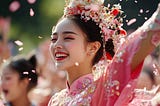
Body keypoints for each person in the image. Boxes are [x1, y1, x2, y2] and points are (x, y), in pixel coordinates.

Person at [48, 0, 160, 105]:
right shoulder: (56, 100)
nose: (57, 45)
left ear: (93, 47)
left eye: (68, 38)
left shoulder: (100, 90)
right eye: (54, 39)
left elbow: (125, 57)